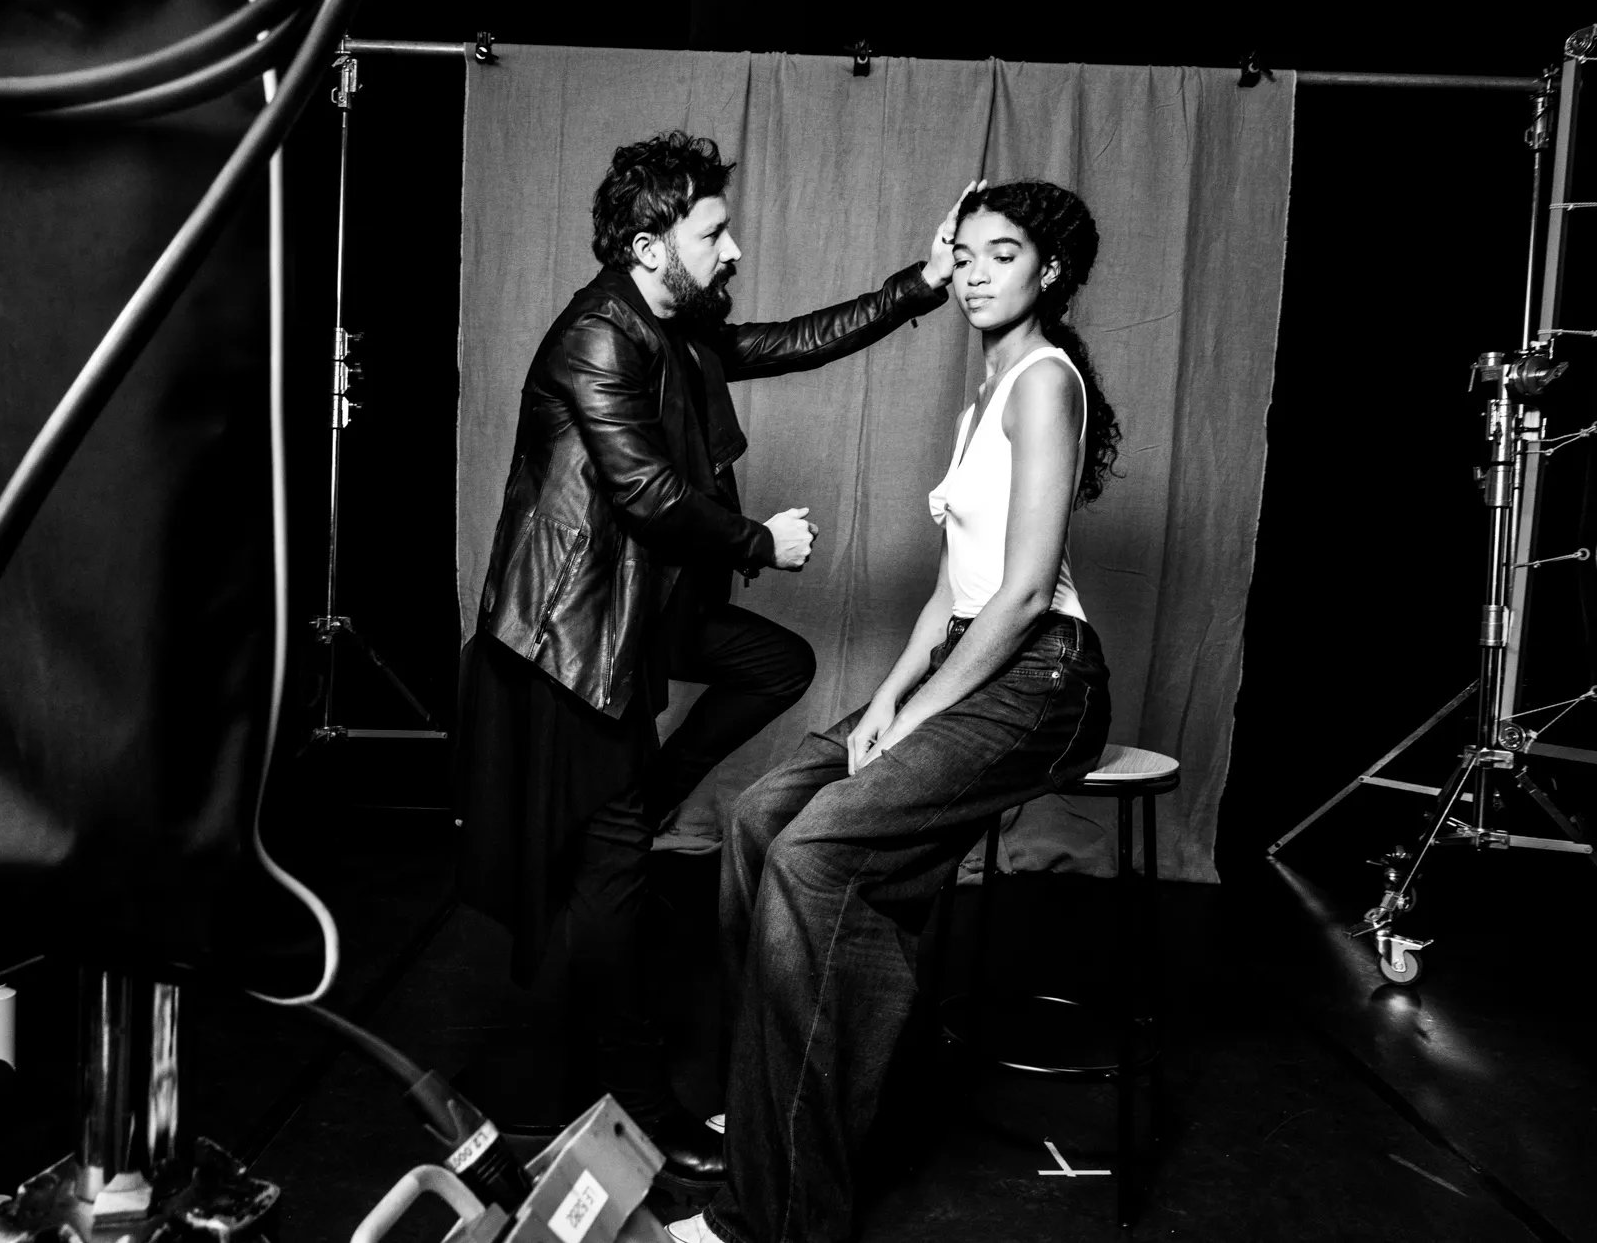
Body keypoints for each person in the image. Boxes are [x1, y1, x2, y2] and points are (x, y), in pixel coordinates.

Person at [455, 129, 971, 1180]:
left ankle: (645, 798)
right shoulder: (598, 336)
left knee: (772, 666)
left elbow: (792, 341)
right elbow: (643, 490)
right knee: (609, 899)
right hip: (570, 649)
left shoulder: (676, 326)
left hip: (640, 614)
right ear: (650, 245)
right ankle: (645, 1113)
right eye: (712, 231)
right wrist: (759, 543)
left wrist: (917, 285)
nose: (731, 249)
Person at [671, 180, 1121, 1242]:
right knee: (757, 819)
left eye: (998, 254)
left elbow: (1017, 593)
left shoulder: (1044, 384)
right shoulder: (982, 395)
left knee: (818, 855)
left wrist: (913, 719)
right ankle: (784, 1098)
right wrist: (887, 699)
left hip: (1045, 679)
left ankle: (774, 1212)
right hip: (977, 654)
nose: (969, 272)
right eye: (959, 253)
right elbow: (947, 591)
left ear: (1046, 273)